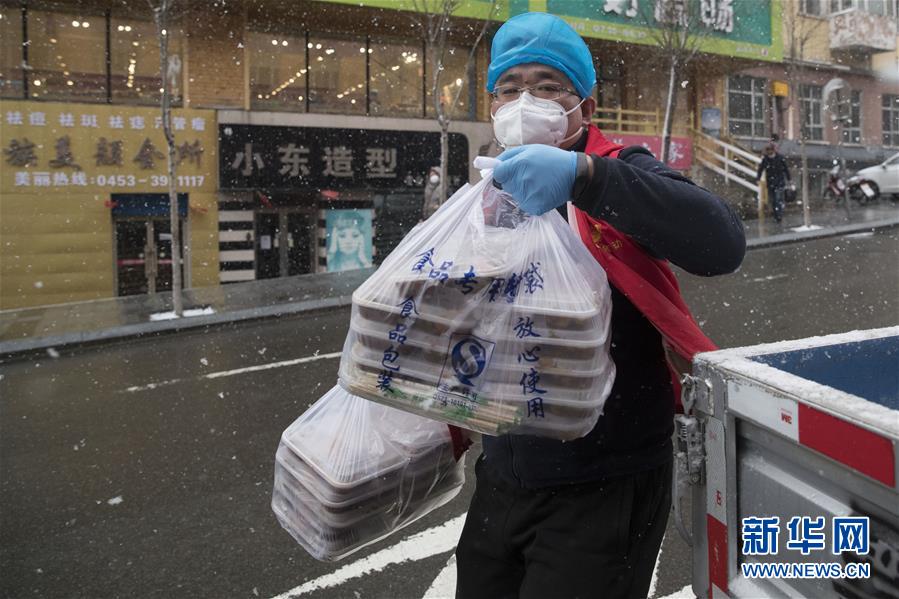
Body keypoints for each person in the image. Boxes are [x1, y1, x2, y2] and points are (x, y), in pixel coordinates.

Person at [454, 12, 746, 599]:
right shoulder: (486, 191)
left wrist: (585, 176)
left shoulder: (621, 171)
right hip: (504, 471)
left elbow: (721, 243)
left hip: (604, 480)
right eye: (509, 89)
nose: (524, 101)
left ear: (584, 107)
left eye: (546, 86)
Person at [756, 143, 792, 223]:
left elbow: (785, 169)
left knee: (777, 198)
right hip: (770, 183)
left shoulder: (780, 158)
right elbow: (760, 169)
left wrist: (789, 179)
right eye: (767, 150)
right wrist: (758, 178)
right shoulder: (765, 160)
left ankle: (779, 215)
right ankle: (776, 215)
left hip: (779, 182)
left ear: (773, 150)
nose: (769, 152)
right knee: (773, 200)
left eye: (770, 150)